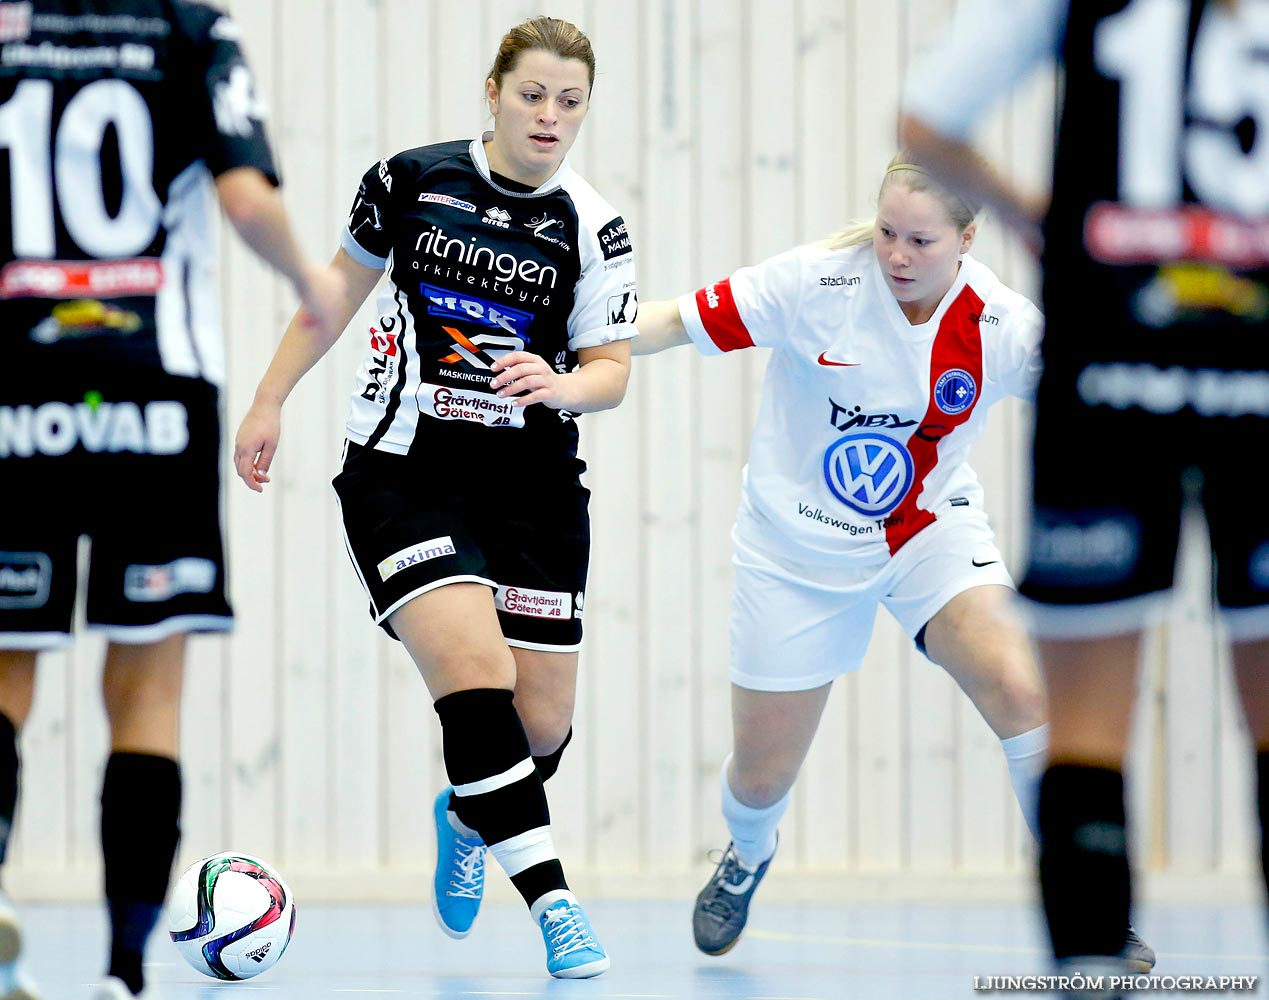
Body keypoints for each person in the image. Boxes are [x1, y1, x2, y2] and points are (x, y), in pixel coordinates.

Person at [632, 153, 1155, 969]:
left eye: (920, 240)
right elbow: (670, 321)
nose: (898, 256)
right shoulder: (813, 284)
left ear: (966, 240)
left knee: (1021, 687)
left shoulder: (1000, 326)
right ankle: (744, 854)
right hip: (791, 550)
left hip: (926, 535)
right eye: (885, 233)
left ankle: (1089, 916)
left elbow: (1104, 389)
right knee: (762, 778)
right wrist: (567, 337)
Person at [233, 15, 636, 980]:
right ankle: (558, 906)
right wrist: (267, 398)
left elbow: (612, 369)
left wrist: (561, 382)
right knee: (475, 679)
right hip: (404, 470)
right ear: (492, 92)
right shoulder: (409, 179)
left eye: (569, 102)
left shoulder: (594, 225)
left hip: (534, 484)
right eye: (532, 94)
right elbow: (332, 291)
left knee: (540, 723)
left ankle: (466, 813)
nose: (548, 116)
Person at [899, 0, 1269, 990]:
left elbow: (926, 120)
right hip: (1255, 370)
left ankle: (1092, 970)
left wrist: (1045, 222)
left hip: (1111, 363)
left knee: (1088, 725)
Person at [0, 2, 345, 999]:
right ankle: (120, 973)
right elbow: (243, 199)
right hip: (154, 396)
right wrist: (307, 283)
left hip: (20, 390)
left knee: (7, 674)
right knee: (147, 691)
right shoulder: (187, 30)